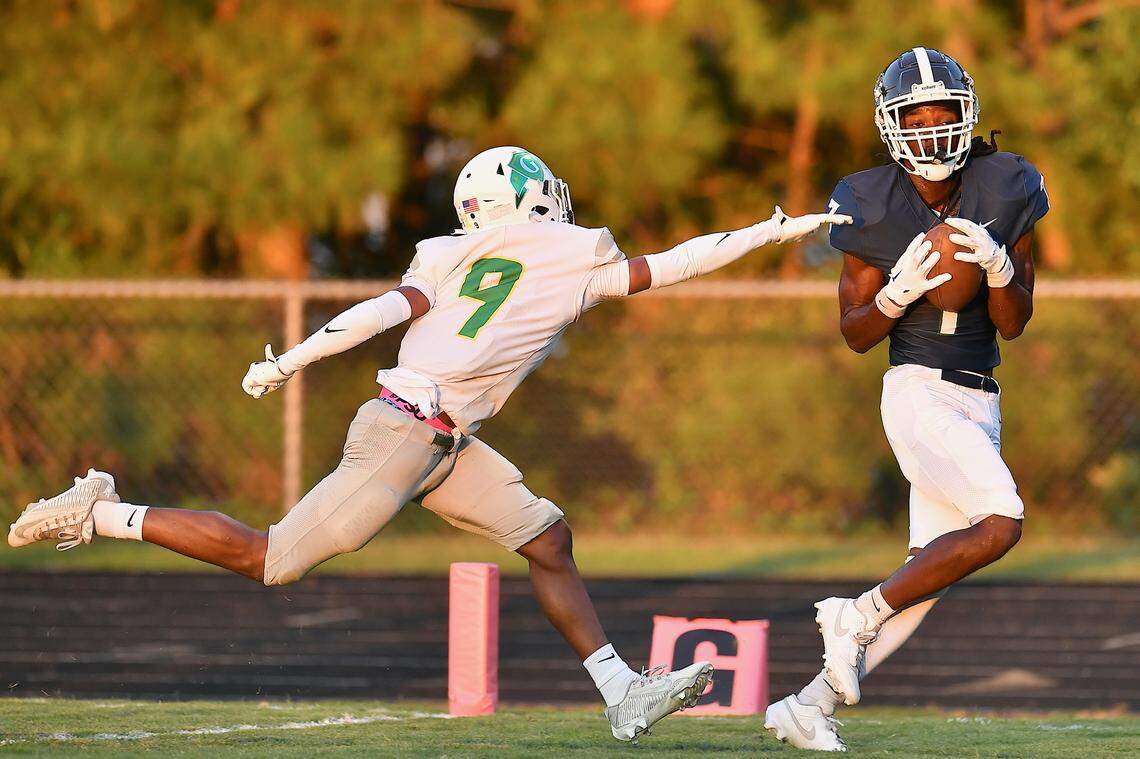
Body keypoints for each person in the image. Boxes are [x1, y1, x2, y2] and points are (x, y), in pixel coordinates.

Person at [9, 145, 849, 744]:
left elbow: (382, 311)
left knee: (547, 535)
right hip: (404, 434)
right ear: (533, 198)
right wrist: (765, 234)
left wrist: (297, 357)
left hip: (442, 441)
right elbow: (673, 263)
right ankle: (103, 511)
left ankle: (621, 691)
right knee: (274, 559)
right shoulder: (569, 253)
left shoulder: (449, 253)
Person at [764, 47, 1049, 752]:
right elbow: (856, 333)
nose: (929, 131)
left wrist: (1001, 268)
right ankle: (856, 615)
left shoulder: (1007, 185)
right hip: (918, 391)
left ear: (967, 115)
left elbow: (1013, 321)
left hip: (981, 395)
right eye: (913, 119)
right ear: (890, 127)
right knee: (1003, 518)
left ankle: (807, 706)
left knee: (926, 576)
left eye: (941, 116)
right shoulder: (867, 202)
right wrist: (895, 297)